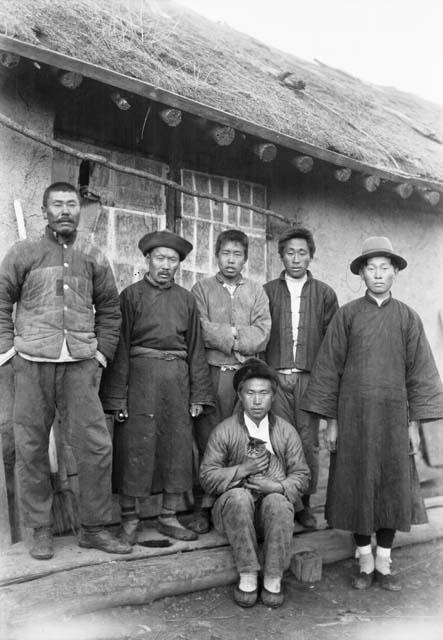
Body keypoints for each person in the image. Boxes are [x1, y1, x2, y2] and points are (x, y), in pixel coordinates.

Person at [302, 236, 443, 590]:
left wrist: (413, 426)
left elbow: (419, 374)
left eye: (385, 267)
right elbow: (329, 368)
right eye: (371, 267)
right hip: (353, 418)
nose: (378, 274)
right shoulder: (347, 315)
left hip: (395, 419)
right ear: (361, 273)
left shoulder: (407, 318)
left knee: (391, 488)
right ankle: (364, 562)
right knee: (357, 484)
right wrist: (332, 422)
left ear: (395, 272)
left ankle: (385, 563)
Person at [0, 182, 131, 559]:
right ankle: (40, 530)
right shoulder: (23, 252)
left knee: (94, 448)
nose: (65, 211)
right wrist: (9, 353)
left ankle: (92, 528)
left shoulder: (93, 255)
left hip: (79, 366)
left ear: (79, 211)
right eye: (57, 204)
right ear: (45, 211)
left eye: (71, 205)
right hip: (31, 365)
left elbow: (109, 309)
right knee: (30, 449)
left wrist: (100, 356)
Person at [100, 230, 215, 544]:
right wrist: (118, 398)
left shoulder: (186, 299)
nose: (166, 264)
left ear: (179, 264)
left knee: (176, 446)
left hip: (176, 383)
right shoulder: (131, 296)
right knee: (133, 446)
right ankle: (129, 519)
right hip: (139, 381)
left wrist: (198, 395)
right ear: (147, 260)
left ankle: (169, 516)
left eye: (173, 259)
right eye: (160, 258)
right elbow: (119, 347)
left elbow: (195, 349)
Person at [200, 358, 310, 608]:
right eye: (250, 393)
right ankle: (248, 574)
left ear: (273, 396)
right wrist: (243, 469)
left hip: (273, 520)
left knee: (278, 502)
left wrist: (278, 487)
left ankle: (273, 577)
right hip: (235, 518)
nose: (257, 400)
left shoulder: (285, 431)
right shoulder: (225, 430)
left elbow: (302, 475)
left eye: (264, 393)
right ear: (240, 395)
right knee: (239, 497)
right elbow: (207, 476)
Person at [190, 229, 271, 532]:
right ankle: (206, 505)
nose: (231, 260)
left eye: (237, 254)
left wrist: (227, 336)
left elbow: (263, 331)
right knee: (208, 439)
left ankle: (242, 504)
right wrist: (237, 335)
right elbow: (201, 328)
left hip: (245, 379)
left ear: (245, 259)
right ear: (217, 255)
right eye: (226, 253)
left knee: (244, 439)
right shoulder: (202, 289)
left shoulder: (256, 292)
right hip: (212, 375)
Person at [264, 227, 338, 529]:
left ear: (311, 256)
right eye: (290, 252)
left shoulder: (324, 293)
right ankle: (285, 501)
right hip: (276, 378)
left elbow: (334, 342)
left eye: (302, 252)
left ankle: (305, 504)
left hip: (310, 380)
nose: (296, 258)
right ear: (281, 256)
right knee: (279, 440)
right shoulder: (267, 291)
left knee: (308, 443)